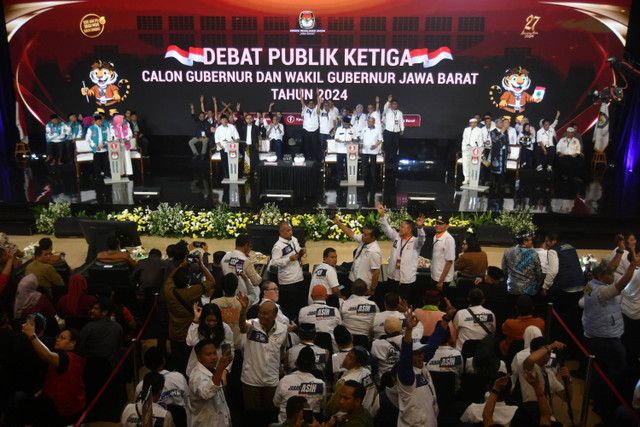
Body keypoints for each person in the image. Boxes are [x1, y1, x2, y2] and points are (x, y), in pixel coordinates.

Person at [583, 257, 638, 421]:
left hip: (593, 334)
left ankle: (596, 398)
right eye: (611, 274)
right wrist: (633, 265)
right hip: (608, 337)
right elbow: (622, 284)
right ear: (602, 277)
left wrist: (621, 250)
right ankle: (608, 405)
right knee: (616, 371)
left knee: (599, 370)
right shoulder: (603, 292)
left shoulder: (589, 286)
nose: (614, 276)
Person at [397, 301, 455, 426]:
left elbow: (434, 341)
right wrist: (408, 329)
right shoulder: (407, 376)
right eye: (416, 353)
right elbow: (406, 355)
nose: (421, 355)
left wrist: (447, 318)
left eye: (421, 352)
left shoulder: (421, 364)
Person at [20, 320, 85, 426]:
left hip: (65, 412)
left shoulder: (67, 358)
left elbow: (46, 355)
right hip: (73, 407)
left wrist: (32, 335)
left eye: (63, 338)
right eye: (58, 337)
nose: (58, 340)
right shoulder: (73, 358)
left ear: (72, 344)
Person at [239, 296, 288, 410]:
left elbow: (282, 349)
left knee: (268, 416)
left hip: (271, 381)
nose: (261, 316)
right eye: (260, 312)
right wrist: (243, 311)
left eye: (265, 313)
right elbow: (242, 326)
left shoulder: (283, 329)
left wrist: (278, 365)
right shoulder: (252, 324)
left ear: (275, 315)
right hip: (251, 380)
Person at [164, 258, 215, 360]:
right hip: (190, 334)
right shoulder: (192, 291)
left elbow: (170, 277)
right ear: (189, 281)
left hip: (174, 333)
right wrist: (202, 265)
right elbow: (211, 281)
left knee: (177, 359)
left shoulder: (168, 290)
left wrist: (181, 265)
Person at [377, 202, 426, 307]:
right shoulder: (396, 237)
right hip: (392, 277)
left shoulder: (415, 242)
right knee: (390, 301)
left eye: (402, 227)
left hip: (406, 280)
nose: (400, 228)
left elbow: (422, 239)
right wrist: (382, 215)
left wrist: (420, 228)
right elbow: (387, 229)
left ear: (409, 229)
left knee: (403, 303)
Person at [541, 232, 584, 349]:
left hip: (565, 288)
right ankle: (573, 346)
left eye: (546, 241)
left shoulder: (553, 250)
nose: (546, 244)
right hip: (580, 286)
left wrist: (545, 287)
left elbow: (553, 271)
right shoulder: (570, 246)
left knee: (559, 318)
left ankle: (557, 344)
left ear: (552, 241)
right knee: (574, 320)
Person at [522, 337, 573, 420]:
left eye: (549, 353)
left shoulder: (549, 374)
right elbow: (531, 359)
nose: (547, 356)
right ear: (532, 352)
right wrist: (550, 346)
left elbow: (567, 397)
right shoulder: (529, 368)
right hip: (531, 416)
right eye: (544, 352)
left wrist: (568, 380)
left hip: (548, 416)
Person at [187, 338, 233, 426]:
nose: (214, 357)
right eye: (208, 354)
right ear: (199, 357)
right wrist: (220, 367)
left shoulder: (212, 370)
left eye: (214, 353)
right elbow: (207, 393)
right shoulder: (196, 376)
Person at [332, 216, 382, 296]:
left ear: (373, 238)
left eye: (365, 235)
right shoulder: (364, 240)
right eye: (363, 233)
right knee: (342, 289)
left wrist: (372, 289)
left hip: (362, 286)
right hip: (352, 279)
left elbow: (376, 272)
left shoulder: (374, 251)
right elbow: (351, 233)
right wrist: (338, 223)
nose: (362, 236)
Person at [274, 346, 327, 422]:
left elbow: (276, 403)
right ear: (314, 366)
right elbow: (323, 406)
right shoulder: (320, 384)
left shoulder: (284, 381)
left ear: (296, 363)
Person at [186, 303, 234, 378]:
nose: (211, 323)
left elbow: (229, 352)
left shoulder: (225, 328)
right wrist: (196, 320)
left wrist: (225, 371)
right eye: (208, 320)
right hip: (197, 370)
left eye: (214, 320)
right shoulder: (197, 327)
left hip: (217, 369)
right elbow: (191, 342)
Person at [326, 347, 376, 417]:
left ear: (358, 364)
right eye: (347, 355)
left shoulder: (345, 382)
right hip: (364, 414)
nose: (346, 359)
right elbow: (374, 392)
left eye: (350, 358)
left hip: (345, 419)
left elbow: (333, 407)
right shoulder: (367, 372)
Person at [78, 298, 123, 368]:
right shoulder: (118, 327)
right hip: (112, 368)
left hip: (90, 367)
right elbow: (119, 348)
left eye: (96, 309)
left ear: (104, 312)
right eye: (93, 308)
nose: (92, 310)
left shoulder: (89, 327)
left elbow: (79, 347)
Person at [298, 285, 342, 351]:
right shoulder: (335, 311)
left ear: (312, 297)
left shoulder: (303, 311)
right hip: (331, 350)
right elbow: (340, 328)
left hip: (308, 350)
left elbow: (300, 327)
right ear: (327, 296)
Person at [221, 234, 261, 305]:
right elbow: (256, 281)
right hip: (244, 299)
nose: (250, 249)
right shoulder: (245, 260)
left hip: (227, 297)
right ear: (246, 245)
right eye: (250, 247)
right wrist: (257, 272)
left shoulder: (225, 257)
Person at [501, 230, 543, 295]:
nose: (532, 242)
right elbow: (538, 273)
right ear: (525, 242)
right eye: (530, 240)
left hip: (512, 289)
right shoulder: (534, 254)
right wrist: (538, 285)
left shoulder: (508, 252)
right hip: (529, 290)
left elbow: (503, 270)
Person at [270, 221, 306, 293]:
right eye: (288, 230)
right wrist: (288, 259)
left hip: (299, 277)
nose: (291, 232)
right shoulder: (278, 246)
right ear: (281, 232)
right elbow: (274, 263)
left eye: (291, 230)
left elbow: (297, 250)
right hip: (287, 281)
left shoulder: (294, 239)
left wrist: (301, 251)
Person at [212, 274, 244, 352]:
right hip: (237, 343)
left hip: (220, 343)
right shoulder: (242, 303)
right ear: (236, 286)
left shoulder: (214, 303)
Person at [371, 317, 403, 386]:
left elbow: (373, 364)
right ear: (401, 329)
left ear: (385, 330)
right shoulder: (407, 341)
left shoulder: (376, 344)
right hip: (403, 381)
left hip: (383, 383)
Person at [431, 214, 456, 294]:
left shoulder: (448, 239)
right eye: (437, 223)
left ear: (447, 226)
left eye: (441, 224)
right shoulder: (435, 236)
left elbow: (449, 262)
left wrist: (441, 281)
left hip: (443, 279)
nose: (438, 226)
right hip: (435, 276)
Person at [382, 94, 404, 171]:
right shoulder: (387, 111)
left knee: (395, 147)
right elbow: (385, 108)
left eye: (396, 104)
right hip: (388, 131)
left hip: (396, 131)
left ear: (397, 105)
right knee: (387, 147)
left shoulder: (400, 113)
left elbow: (401, 121)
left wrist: (402, 129)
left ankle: (394, 163)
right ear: (391, 105)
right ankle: (387, 163)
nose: (394, 105)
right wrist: (388, 101)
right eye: (393, 104)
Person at [85, 114, 110, 181]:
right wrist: (94, 146)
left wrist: (105, 144)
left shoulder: (106, 127)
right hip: (96, 149)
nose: (100, 122)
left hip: (104, 148)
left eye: (101, 121)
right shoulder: (91, 128)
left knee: (105, 162)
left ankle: (106, 174)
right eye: (99, 121)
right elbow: (88, 138)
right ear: (95, 121)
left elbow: (109, 137)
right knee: (97, 163)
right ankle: (97, 176)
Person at [360, 116, 384, 185]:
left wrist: (376, 145)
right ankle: (363, 178)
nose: (370, 123)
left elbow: (380, 140)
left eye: (372, 122)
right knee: (364, 165)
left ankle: (373, 179)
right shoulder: (364, 129)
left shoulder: (377, 130)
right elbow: (361, 139)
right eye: (369, 121)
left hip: (373, 151)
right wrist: (360, 148)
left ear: (374, 122)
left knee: (373, 165)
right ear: (368, 122)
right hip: (365, 150)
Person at [489, 117, 510, 195]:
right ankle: (492, 184)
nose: (502, 124)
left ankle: (501, 183)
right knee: (495, 168)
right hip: (496, 152)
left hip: (503, 151)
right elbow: (495, 139)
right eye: (500, 123)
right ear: (496, 124)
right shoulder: (492, 132)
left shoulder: (505, 131)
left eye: (502, 122)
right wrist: (501, 132)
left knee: (503, 168)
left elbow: (507, 141)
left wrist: (508, 150)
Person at [240, 113, 265, 178]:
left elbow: (259, 137)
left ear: (252, 119)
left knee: (255, 158)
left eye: (250, 118)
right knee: (246, 159)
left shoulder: (256, 127)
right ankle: (247, 172)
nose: (249, 120)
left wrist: (259, 146)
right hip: (246, 145)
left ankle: (255, 171)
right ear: (245, 120)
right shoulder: (243, 127)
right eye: (247, 118)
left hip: (255, 145)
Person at [461, 117, 484, 185]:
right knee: (465, 163)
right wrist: (463, 147)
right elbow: (464, 139)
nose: (474, 124)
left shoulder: (479, 130)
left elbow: (480, 141)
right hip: (466, 149)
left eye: (475, 122)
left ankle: (472, 178)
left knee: (473, 163)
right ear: (470, 123)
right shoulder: (466, 130)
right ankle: (466, 177)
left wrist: (480, 150)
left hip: (475, 149)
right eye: (472, 123)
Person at [299, 89, 320, 161]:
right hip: (306, 130)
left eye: (312, 103)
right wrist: (301, 95)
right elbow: (302, 102)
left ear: (314, 104)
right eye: (310, 103)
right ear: (308, 104)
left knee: (314, 146)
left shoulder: (316, 109)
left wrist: (318, 95)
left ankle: (314, 159)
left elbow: (319, 103)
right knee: (306, 146)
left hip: (314, 130)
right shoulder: (305, 109)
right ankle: (307, 158)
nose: (311, 105)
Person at [334, 116, 356, 182]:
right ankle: (340, 176)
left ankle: (348, 176)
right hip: (340, 150)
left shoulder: (353, 129)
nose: (346, 125)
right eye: (345, 124)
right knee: (339, 164)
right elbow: (336, 138)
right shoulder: (339, 129)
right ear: (343, 123)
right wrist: (340, 141)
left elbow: (355, 138)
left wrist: (351, 141)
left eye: (348, 124)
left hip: (349, 150)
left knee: (348, 164)